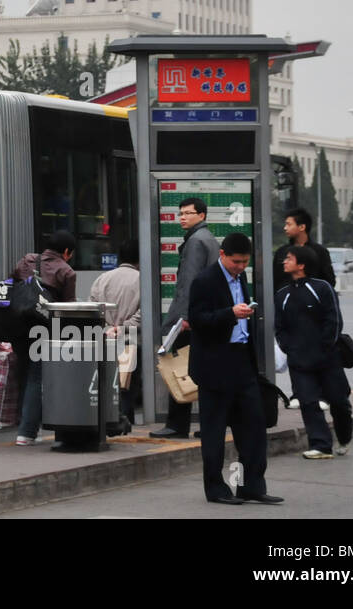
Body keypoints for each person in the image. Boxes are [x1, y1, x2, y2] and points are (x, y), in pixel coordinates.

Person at [188, 232, 282, 505]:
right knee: (215, 431)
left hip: (242, 361)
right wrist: (230, 314)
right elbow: (198, 319)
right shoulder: (204, 281)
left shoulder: (241, 277)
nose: (240, 267)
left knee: (254, 426)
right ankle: (216, 489)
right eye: (236, 262)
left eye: (245, 262)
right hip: (215, 364)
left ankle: (252, 485)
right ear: (222, 255)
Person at [275, 245, 353, 459]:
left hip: (327, 359)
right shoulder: (282, 294)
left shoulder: (322, 288)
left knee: (339, 402)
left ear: (301, 265)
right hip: (299, 361)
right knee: (308, 402)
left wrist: (325, 347)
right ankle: (321, 446)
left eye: (289, 258)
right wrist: (288, 347)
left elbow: (334, 320)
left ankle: (344, 436)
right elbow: (279, 327)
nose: (284, 261)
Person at [151, 197, 219, 438]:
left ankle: (177, 425)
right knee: (203, 370)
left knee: (177, 367)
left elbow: (188, 282)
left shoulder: (196, 242)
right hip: (203, 315)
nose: (183, 217)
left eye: (188, 213)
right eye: (180, 213)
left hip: (190, 318)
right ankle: (209, 423)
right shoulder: (207, 239)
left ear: (202, 215)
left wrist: (183, 318)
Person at [9, 230, 78, 446]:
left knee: (24, 372)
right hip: (44, 330)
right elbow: (68, 307)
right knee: (37, 378)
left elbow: (13, 286)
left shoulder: (27, 261)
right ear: (66, 252)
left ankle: (28, 424)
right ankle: (27, 432)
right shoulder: (66, 272)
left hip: (19, 326)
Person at [273, 207, 336, 411]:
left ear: (302, 227)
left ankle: (323, 394)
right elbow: (275, 281)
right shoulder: (282, 253)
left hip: (315, 313)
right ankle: (298, 393)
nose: (285, 227)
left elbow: (329, 280)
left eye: (289, 224)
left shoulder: (319, 252)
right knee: (294, 351)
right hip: (289, 311)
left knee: (319, 351)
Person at [89, 239, 141, 426]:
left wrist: (107, 328)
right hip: (130, 339)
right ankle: (124, 422)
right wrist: (124, 326)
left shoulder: (102, 279)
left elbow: (92, 306)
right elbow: (144, 313)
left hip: (106, 338)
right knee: (128, 384)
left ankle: (109, 419)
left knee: (109, 381)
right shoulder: (142, 279)